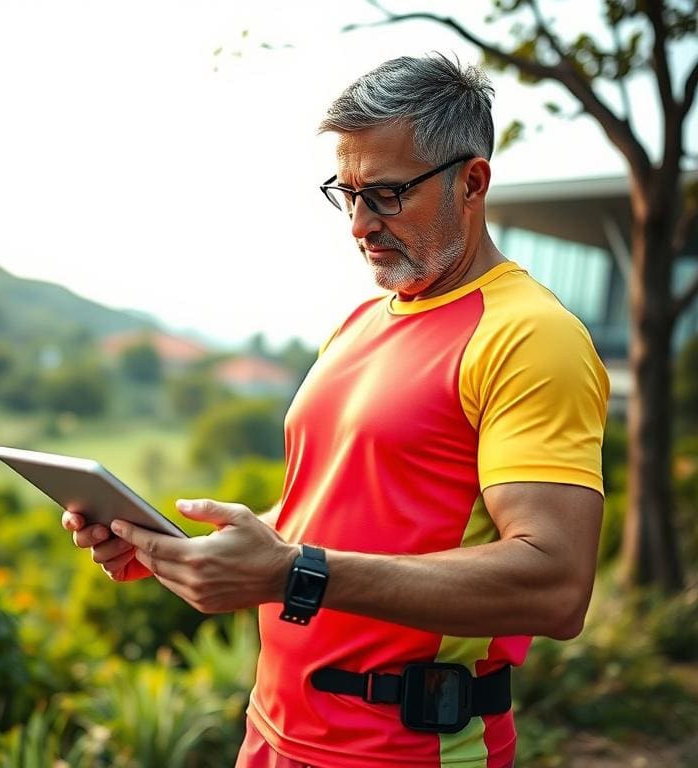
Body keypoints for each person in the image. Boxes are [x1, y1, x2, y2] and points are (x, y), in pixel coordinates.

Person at [62, 54, 609, 768]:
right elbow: (329, 513)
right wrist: (185, 553)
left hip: (407, 752)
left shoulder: (532, 335)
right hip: (273, 732)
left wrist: (293, 573)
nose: (358, 225)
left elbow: (555, 585)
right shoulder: (361, 322)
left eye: (384, 195)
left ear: (471, 182)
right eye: (345, 194)